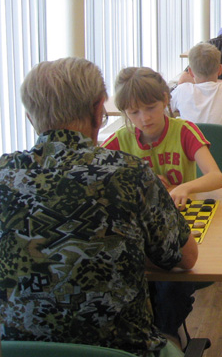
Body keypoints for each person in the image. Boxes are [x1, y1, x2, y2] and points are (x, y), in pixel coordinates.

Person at [0, 58, 196, 356]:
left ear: (29, 117)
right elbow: (187, 257)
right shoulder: (129, 173)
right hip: (123, 350)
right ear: (98, 110)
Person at [103, 66, 222, 209]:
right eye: (134, 112)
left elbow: (216, 177)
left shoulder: (184, 131)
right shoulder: (120, 140)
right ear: (125, 112)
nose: (145, 118)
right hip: (138, 213)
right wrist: (138, 180)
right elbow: (88, 175)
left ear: (165, 99)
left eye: (151, 108)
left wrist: (184, 187)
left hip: (179, 209)